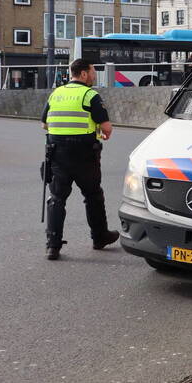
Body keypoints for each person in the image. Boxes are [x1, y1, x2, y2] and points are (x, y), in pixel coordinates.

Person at [41, 59, 119, 261]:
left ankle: (53, 246)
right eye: (93, 71)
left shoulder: (56, 93)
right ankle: (100, 237)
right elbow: (107, 127)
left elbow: (44, 124)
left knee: (57, 199)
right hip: (84, 155)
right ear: (83, 74)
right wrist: (101, 132)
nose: (94, 75)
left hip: (57, 154)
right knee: (93, 195)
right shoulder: (90, 95)